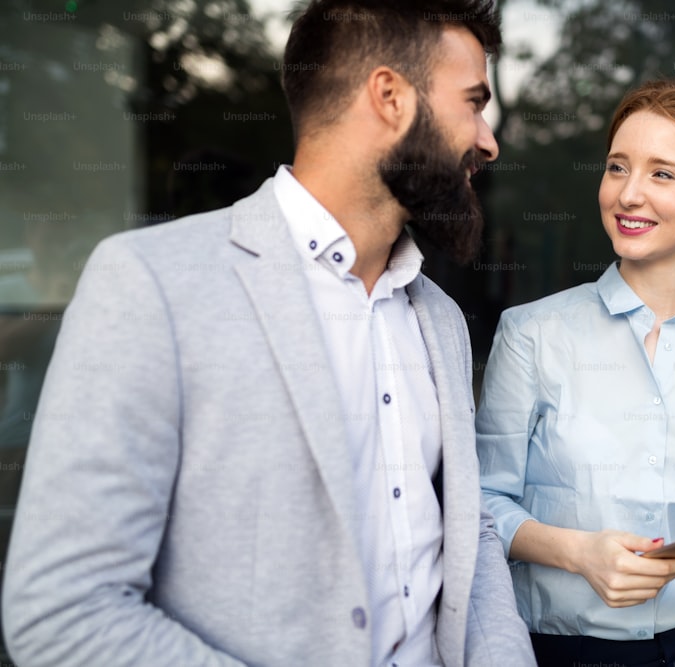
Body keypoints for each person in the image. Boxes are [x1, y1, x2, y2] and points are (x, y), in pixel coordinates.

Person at [1, 1, 536, 666]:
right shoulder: (149, 284)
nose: (489, 140)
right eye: (473, 102)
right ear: (390, 97)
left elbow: (468, 537)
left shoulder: (443, 320)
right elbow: (64, 611)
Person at [476, 77, 675, 667]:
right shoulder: (532, 334)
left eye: (662, 173)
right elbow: (479, 503)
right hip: (566, 650)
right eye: (617, 168)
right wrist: (576, 553)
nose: (628, 194)